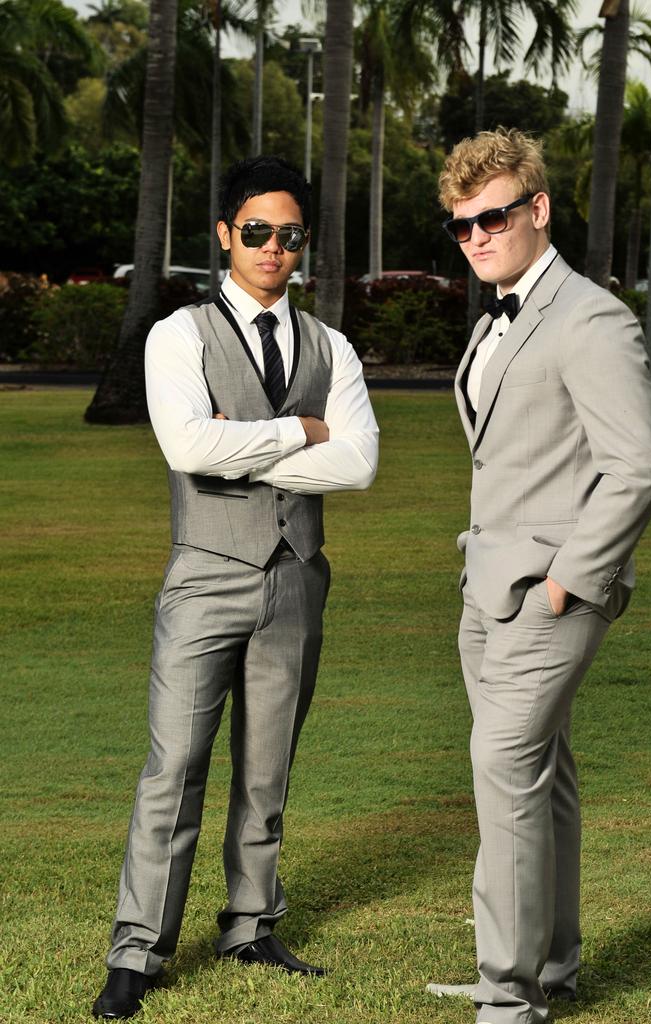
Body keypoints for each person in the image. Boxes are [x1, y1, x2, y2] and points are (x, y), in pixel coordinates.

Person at [92, 156, 379, 1020]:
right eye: (256, 232)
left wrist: (241, 438)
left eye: (289, 235)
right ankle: (136, 951)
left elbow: (358, 463)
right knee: (172, 768)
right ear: (224, 235)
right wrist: (302, 430)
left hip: (298, 579)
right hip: (206, 578)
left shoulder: (331, 345)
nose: (272, 249)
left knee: (267, 770)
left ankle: (251, 923)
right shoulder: (178, 336)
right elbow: (186, 449)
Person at [430, 128, 651, 1024]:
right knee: (542, 772)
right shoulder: (502, 315)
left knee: (502, 761)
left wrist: (569, 580)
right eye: (462, 226)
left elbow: (637, 466)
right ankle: (551, 968)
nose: (478, 238)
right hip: (485, 583)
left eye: (493, 217)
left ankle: (507, 996)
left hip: (548, 591)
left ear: (538, 209)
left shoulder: (591, 317)